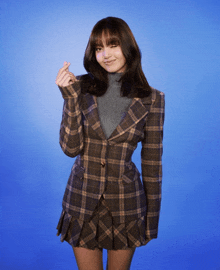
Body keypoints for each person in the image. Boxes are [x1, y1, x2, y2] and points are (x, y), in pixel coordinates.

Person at [55, 16, 165, 270]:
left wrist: (151, 221)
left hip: (126, 204)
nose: (105, 54)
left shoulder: (152, 99)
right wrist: (70, 98)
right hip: (82, 200)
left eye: (113, 45)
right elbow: (70, 149)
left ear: (128, 47)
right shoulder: (80, 87)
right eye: (98, 48)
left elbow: (152, 165)